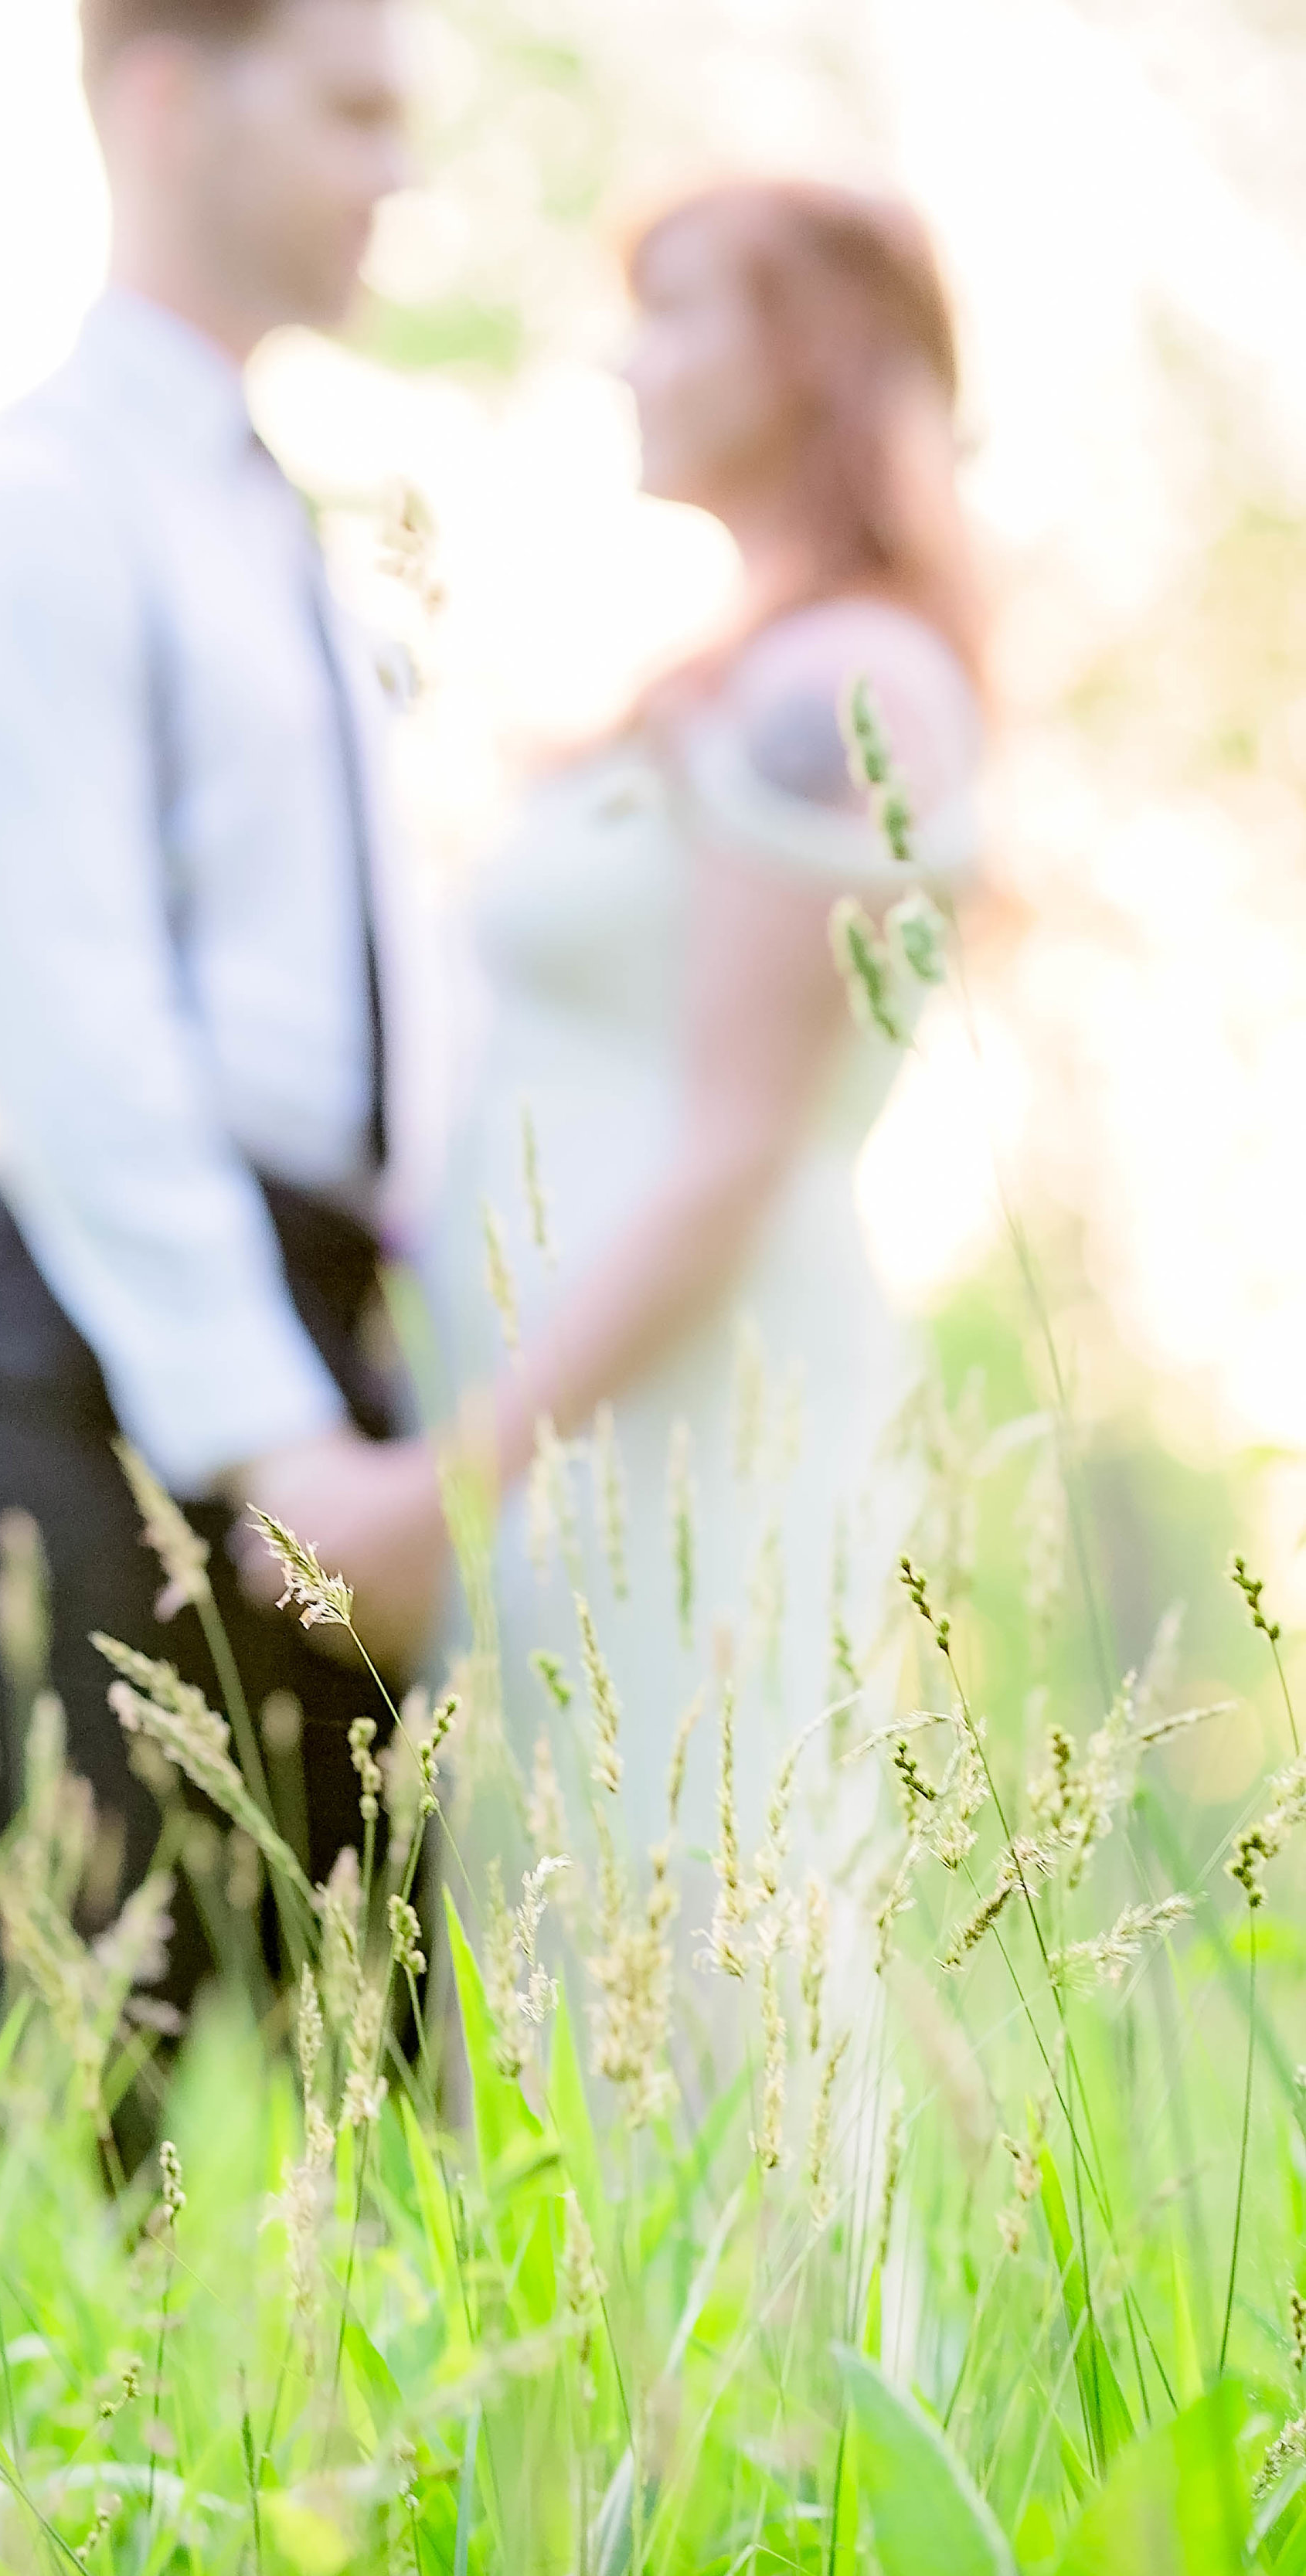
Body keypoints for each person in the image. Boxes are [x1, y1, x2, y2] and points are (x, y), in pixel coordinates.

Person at [0, 0, 448, 2022]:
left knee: (367, 2091)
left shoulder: (264, 514)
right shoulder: (44, 503)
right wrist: (276, 1436)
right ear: (166, 96)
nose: (400, 170)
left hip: (309, 1338)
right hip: (108, 1348)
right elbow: (76, 1018)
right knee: (94, 2076)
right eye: (351, 110)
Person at [427, 181, 987, 1921]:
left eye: (674, 314)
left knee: (692, 1948)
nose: (623, 360)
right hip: (569, 1426)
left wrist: (451, 1478)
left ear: (807, 355)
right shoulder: (743, 678)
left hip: (674, 1418)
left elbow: (739, 1143)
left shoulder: (851, 684)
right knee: (558, 1976)